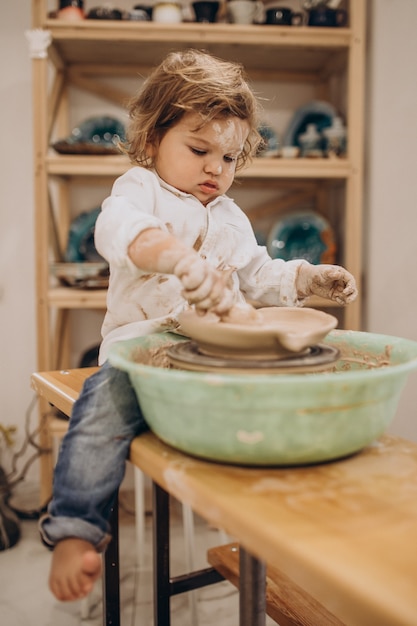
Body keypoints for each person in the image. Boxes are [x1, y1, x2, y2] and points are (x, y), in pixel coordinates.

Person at [40, 48, 357, 601]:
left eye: (231, 158)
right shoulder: (139, 190)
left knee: (298, 391)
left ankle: (296, 524)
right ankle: (74, 528)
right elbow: (124, 232)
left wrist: (307, 278)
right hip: (141, 357)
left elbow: (258, 274)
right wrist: (177, 258)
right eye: (199, 149)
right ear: (150, 142)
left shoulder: (231, 217)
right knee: (100, 410)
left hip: (214, 357)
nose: (216, 168)